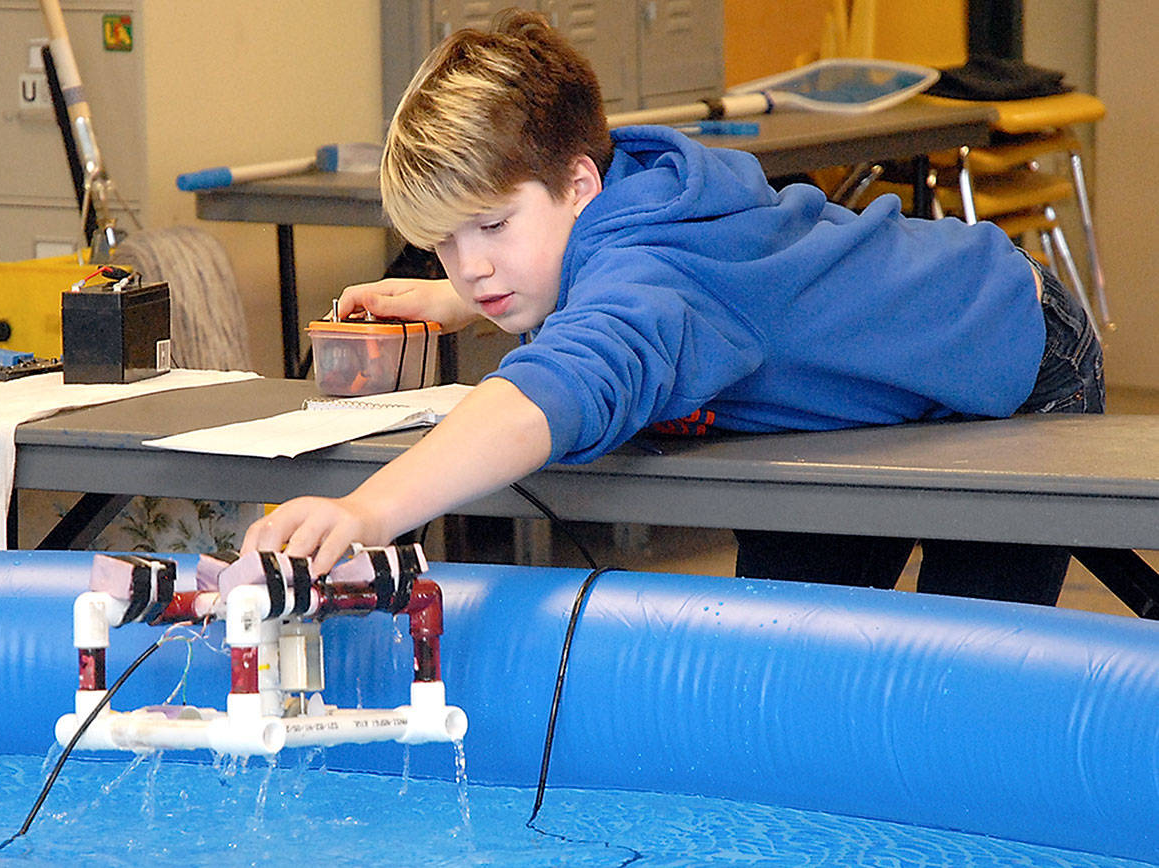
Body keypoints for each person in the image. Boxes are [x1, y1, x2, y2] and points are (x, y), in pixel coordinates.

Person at [242, 10, 1104, 605]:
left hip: (1018, 353)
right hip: (866, 400)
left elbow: (554, 387)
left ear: (579, 182)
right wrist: (464, 297)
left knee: (963, 678)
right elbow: (590, 264)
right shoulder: (623, 190)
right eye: (446, 244)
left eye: (493, 226)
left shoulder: (655, 274)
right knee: (788, 664)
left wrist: (368, 511)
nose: (472, 265)